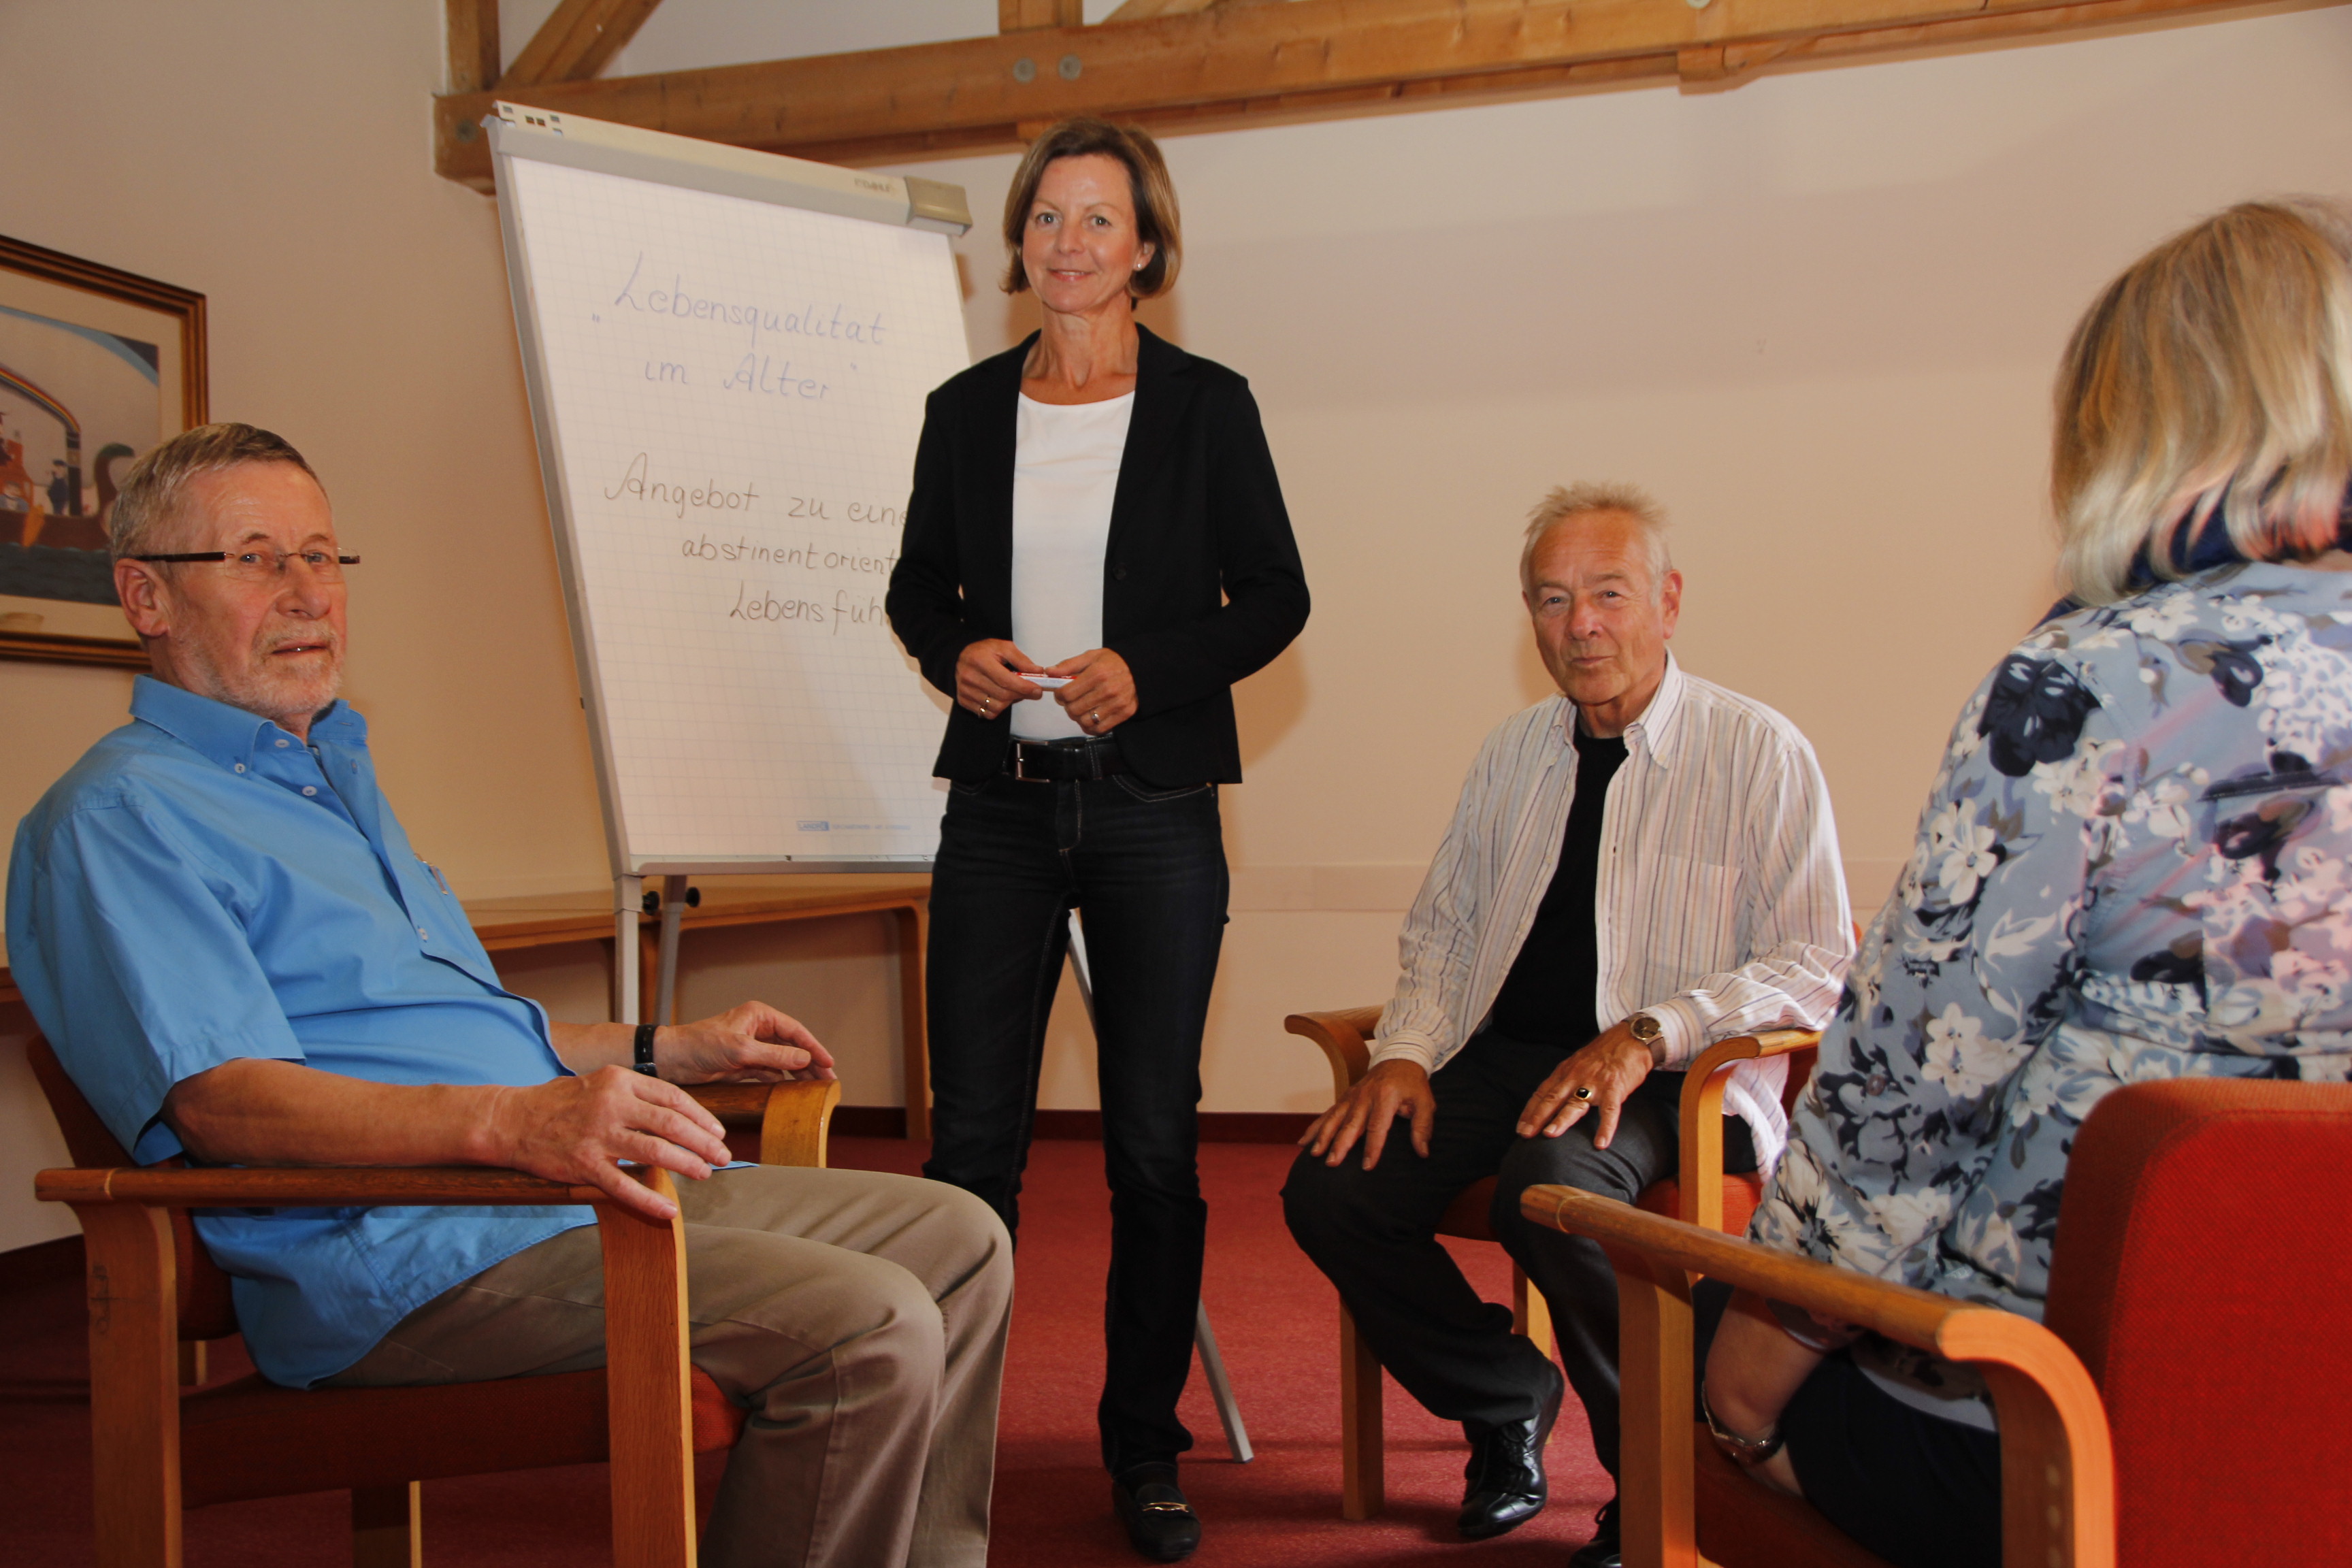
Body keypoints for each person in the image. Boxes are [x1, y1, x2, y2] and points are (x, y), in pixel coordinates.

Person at [7, 423, 1013, 1568]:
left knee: (961, 1237)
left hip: (553, 1193)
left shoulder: (327, 773)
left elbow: (455, 1033)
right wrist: (512, 1123)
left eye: (322, 556)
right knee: (867, 1324)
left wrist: (661, 1046)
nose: (306, 593)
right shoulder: (117, 818)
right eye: (254, 559)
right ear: (145, 596)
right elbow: (222, 1102)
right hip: (407, 1258)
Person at [1698, 197, 2352, 1568]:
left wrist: (1744, 1389)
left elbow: (1904, 1102)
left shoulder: (2087, 685)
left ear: (2136, 425)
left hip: (2066, 1424)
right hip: (2317, 1417)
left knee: (1682, 1315)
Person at [1282, 484, 1852, 1566]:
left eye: (1609, 594)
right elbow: (1448, 931)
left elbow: (1817, 960)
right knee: (1333, 1187)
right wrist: (1402, 1055)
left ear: (1669, 603)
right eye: (1553, 600)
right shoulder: (1512, 755)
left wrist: (1651, 1032)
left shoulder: (1757, 751)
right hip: (1508, 1060)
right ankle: (1505, 1394)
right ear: (1531, 618)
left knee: (1550, 1191)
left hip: (1677, 1082)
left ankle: (1663, 1478)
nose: (1581, 624)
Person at [885, 117, 1309, 1563]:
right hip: (997, 812)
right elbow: (917, 587)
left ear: (1146, 247)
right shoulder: (962, 410)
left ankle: (1144, 1449)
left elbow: (1277, 595)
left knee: (1152, 1149)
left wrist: (1155, 669)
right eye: (1046, 217)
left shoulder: (1207, 405)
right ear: (1021, 242)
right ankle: (940, 1450)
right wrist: (955, 651)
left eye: (1098, 219)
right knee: (971, 1150)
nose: (1068, 242)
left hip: (1153, 812)